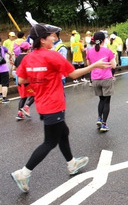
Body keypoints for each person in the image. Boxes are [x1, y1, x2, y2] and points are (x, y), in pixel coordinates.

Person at [11, 22, 111, 193]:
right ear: (42, 40)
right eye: (51, 35)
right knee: (50, 141)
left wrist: (39, 77)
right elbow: (72, 74)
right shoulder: (53, 56)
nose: (54, 38)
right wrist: (95, 65)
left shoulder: (28, 58)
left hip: (42, 104)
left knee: (63, 132)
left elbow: (20, 80)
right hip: (54, 104)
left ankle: (72, 163)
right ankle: (24, 172)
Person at [86, 32, 116, 132]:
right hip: (106, 78)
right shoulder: (108, 51)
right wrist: (113, 58)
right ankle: (104, 124)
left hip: (95, 79)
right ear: (104, 40)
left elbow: (89, 65)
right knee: (107, 101)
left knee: (101, 100)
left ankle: (99, 118)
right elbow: (114, 65)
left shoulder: (89, 51)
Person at [13, 41, 35, 120]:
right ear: (28, 48)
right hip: (27, 81)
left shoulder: (18, 57)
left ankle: (19, 113)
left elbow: (14, 68)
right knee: (35, 94)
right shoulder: (29, 57)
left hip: (19, 80)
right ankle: (27, 107)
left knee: (23, 97)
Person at [0, 37, 13, 103]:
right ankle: (4, 98)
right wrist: (10, 58)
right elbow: (10, 53)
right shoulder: (3, 48)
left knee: (0, 83)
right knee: (4, 84)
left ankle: (0, 96)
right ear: (1, 41)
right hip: (3, 69)